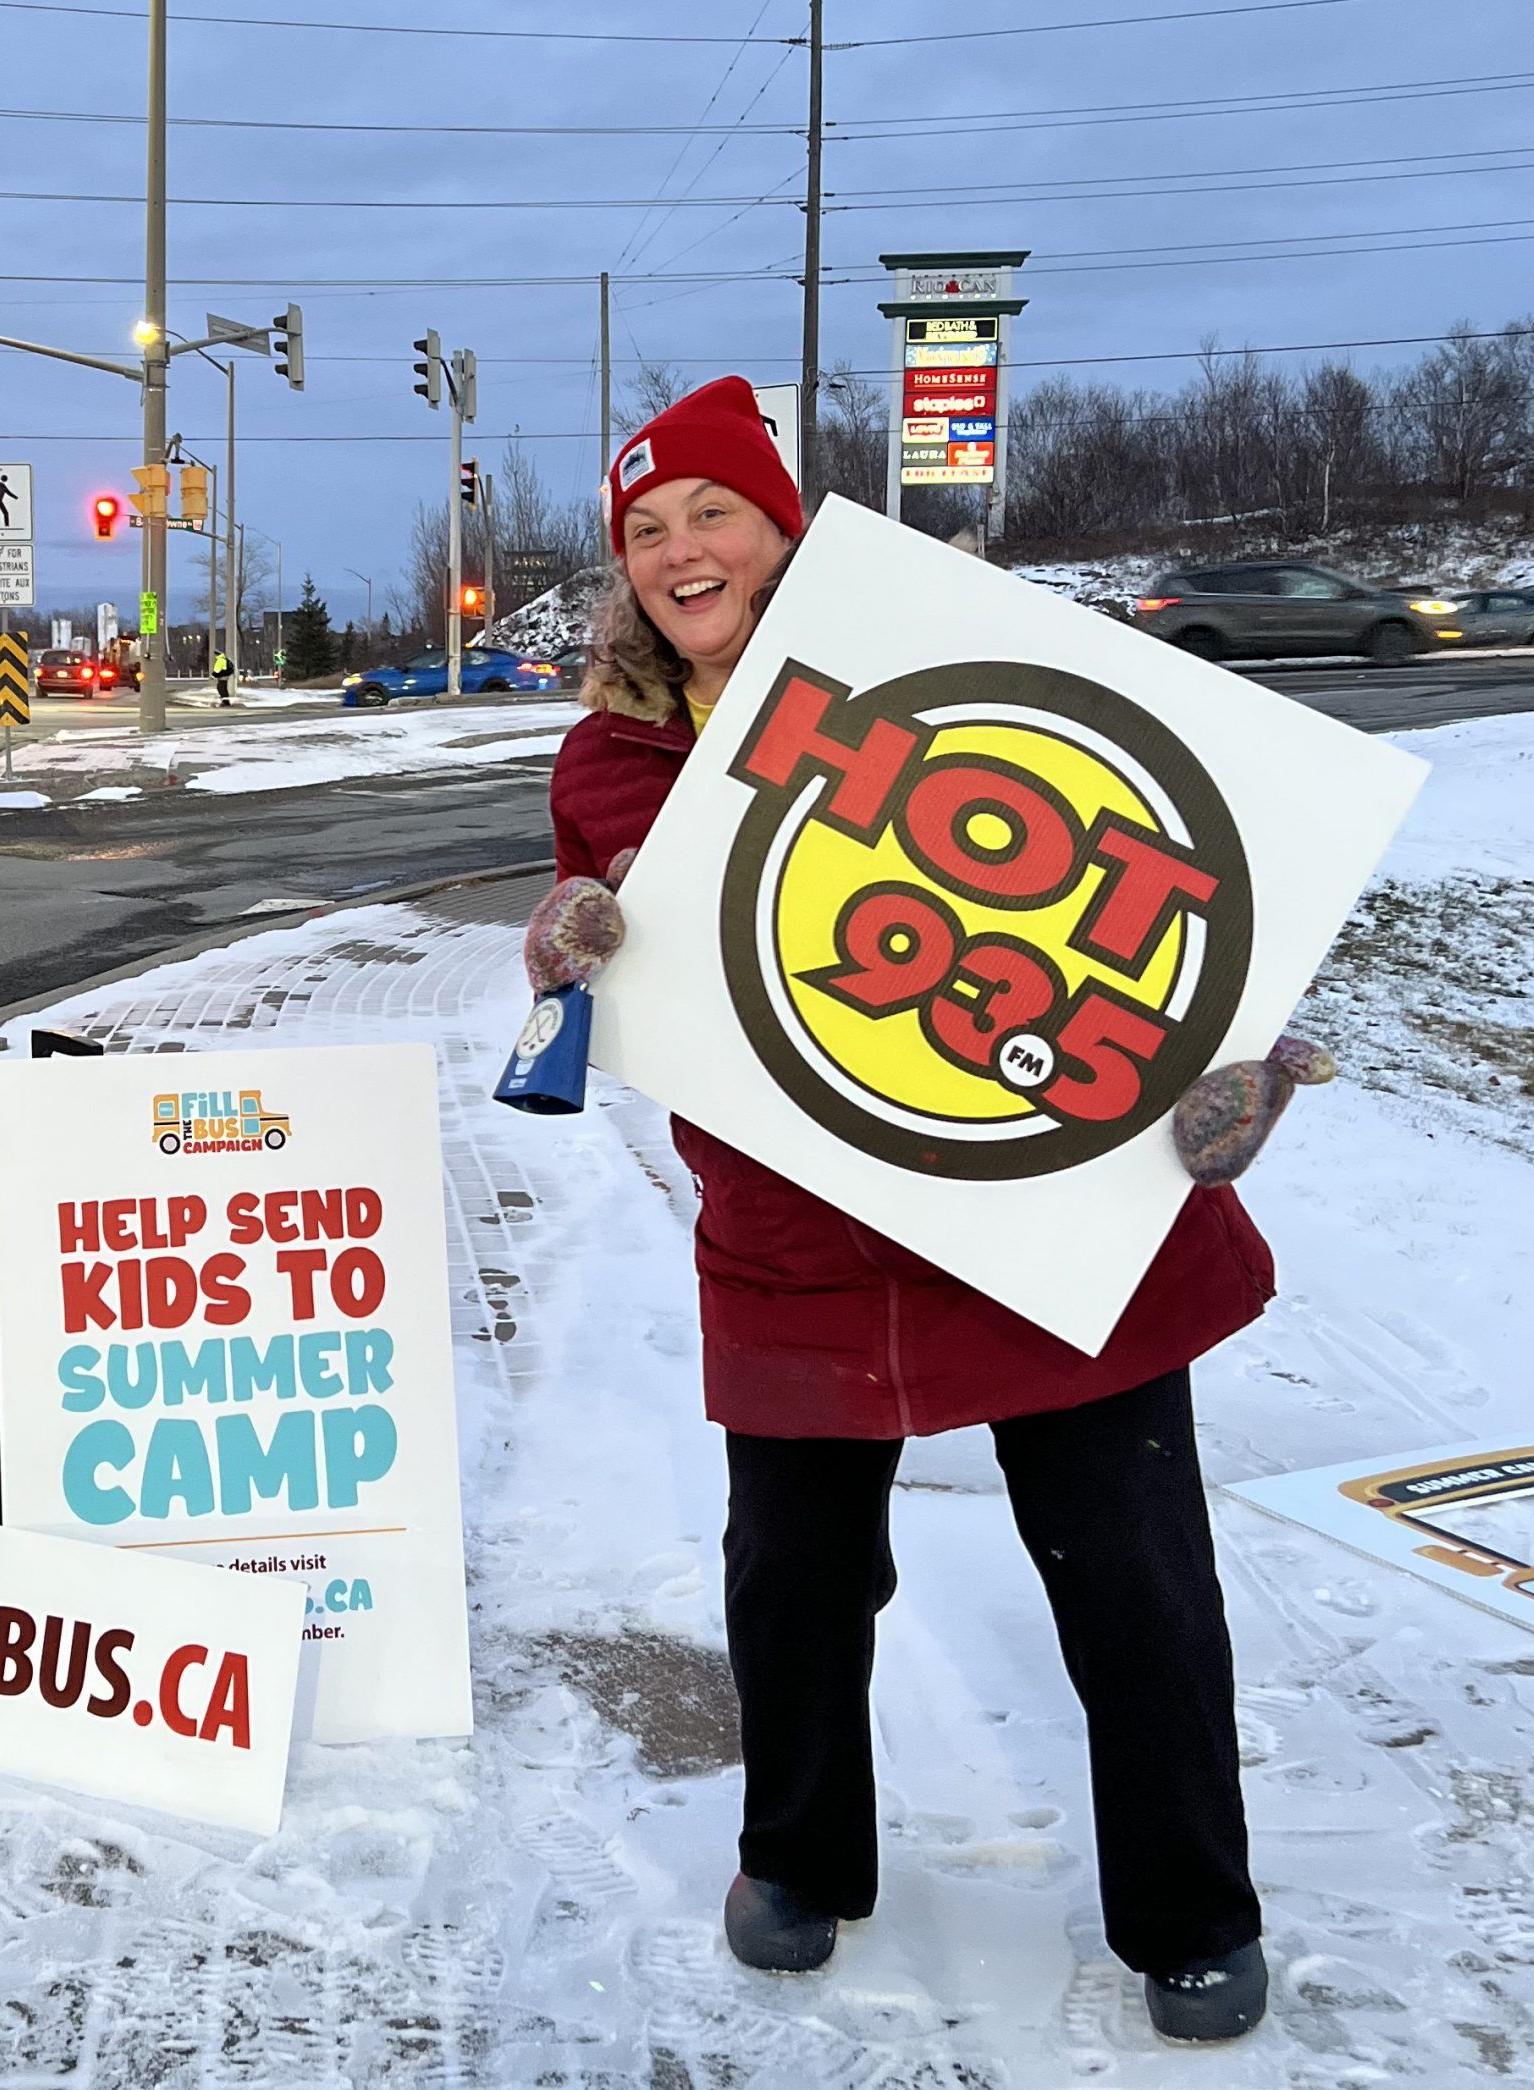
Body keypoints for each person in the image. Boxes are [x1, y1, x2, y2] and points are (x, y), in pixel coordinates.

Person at [527, 376, 1331, 2044]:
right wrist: (562, 949)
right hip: (800, 1238)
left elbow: (1136, 858)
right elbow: (593, 940)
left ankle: (1192, 1908)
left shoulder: (940, 676)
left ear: (782, 527)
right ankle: (796, 1860)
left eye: (713, 513)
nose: (682, 550)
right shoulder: (608, 756)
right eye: (647, 530)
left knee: (1136, 1577)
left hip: (1040, 1206)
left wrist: (1225, 1049)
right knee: (796, 1580)